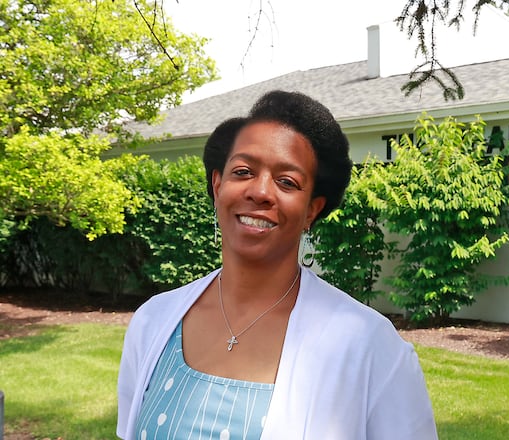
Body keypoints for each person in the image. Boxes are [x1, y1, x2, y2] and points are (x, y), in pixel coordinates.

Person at [117, 90, 438, 439]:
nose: (261, 192)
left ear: (312, 210)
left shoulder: (371, 347)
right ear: (218, 185)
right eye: (243, 171)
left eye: (287, 181)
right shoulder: (153, 323)